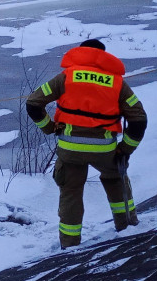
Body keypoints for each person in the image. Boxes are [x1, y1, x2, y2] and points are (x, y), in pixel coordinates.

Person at [26, 39, 148, 249]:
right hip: (105, 149)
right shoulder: (116, 82)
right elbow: (139, 119)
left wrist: (49, 128)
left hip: (70, 150)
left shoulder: (66, 77)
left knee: (71, 193)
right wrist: (124, 151)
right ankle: (127, 228)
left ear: (80, 53)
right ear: (103, 56)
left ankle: (69, 245)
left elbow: (33, 103)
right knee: (116, 181)